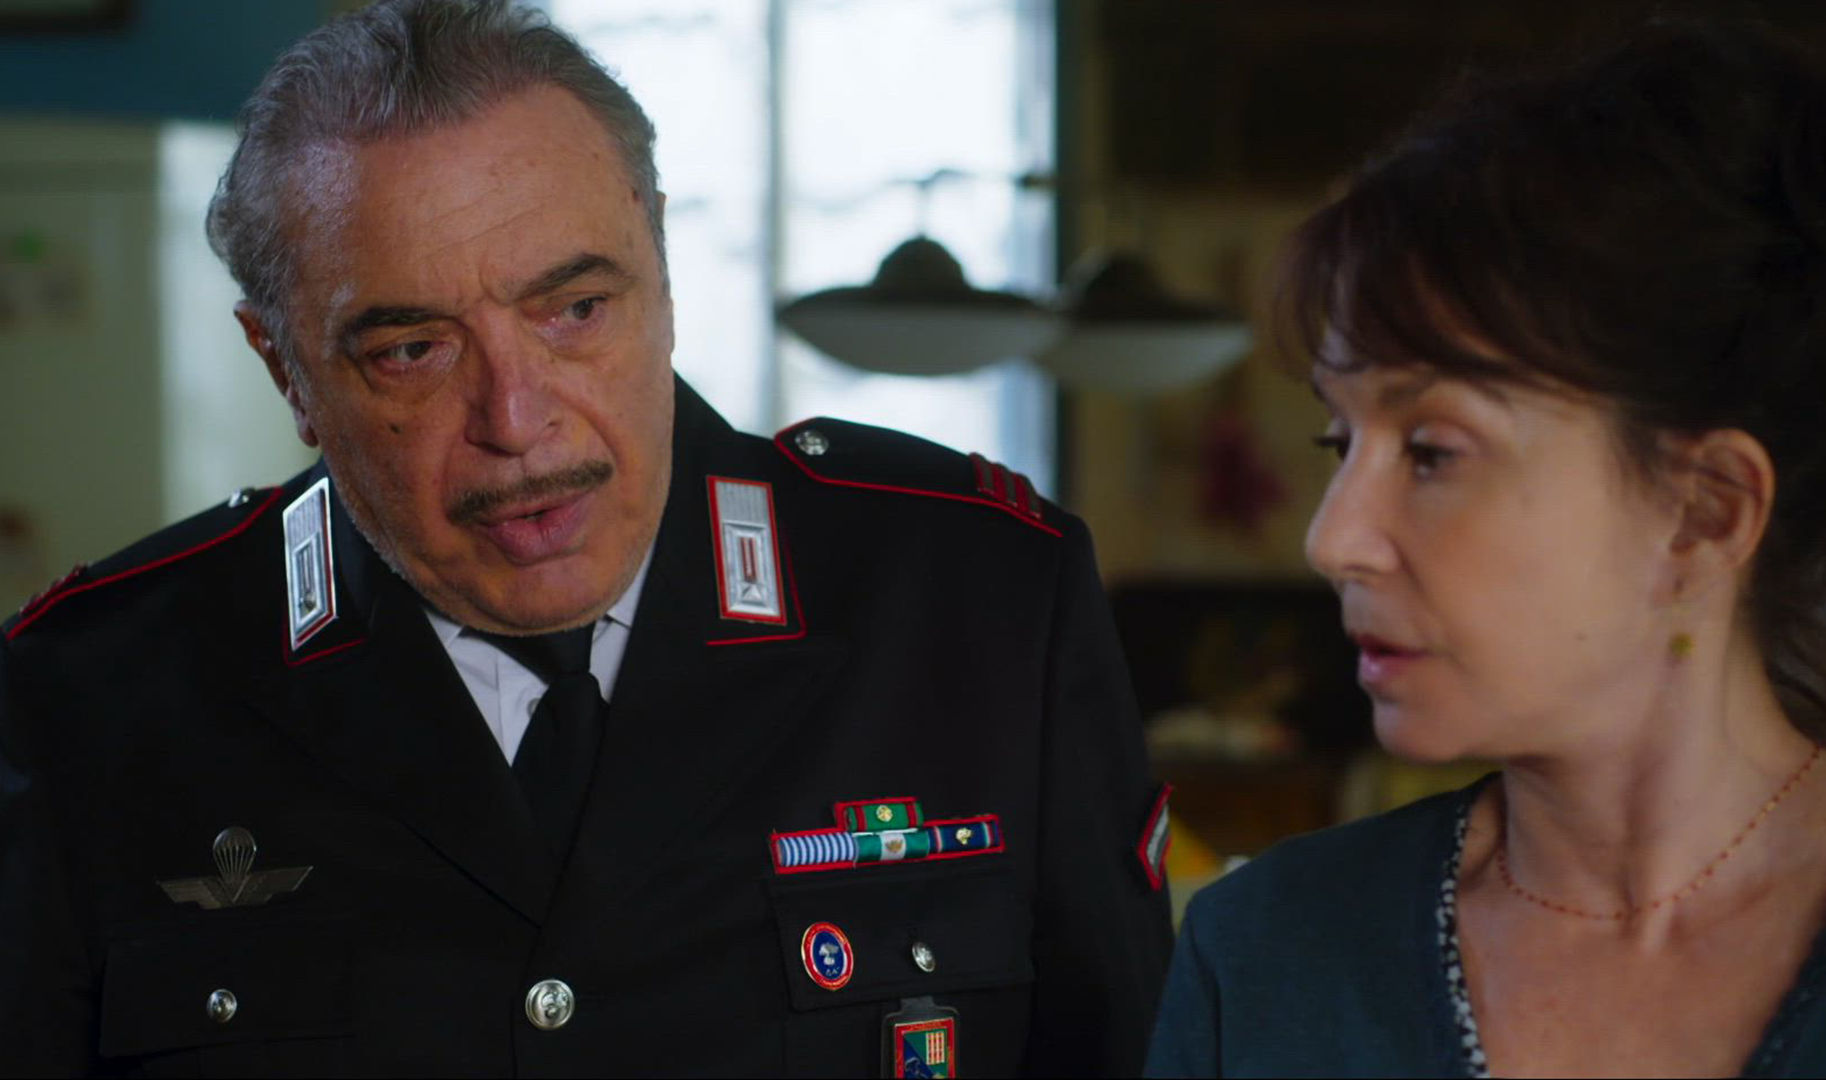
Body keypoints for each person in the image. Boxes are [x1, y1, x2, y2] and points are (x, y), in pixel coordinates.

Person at [0, 2, 1171, 1074]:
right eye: (413, 350)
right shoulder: (87, 694)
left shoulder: (984, 603)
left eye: (574, 310)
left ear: (661, 263)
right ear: (285, 367)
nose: (516, 423)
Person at [1148, 20, 1826, 1079]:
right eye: (1340, 442)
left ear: (1704, 511)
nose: (1334, 540)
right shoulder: (1268, 956)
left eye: (1432, 451)